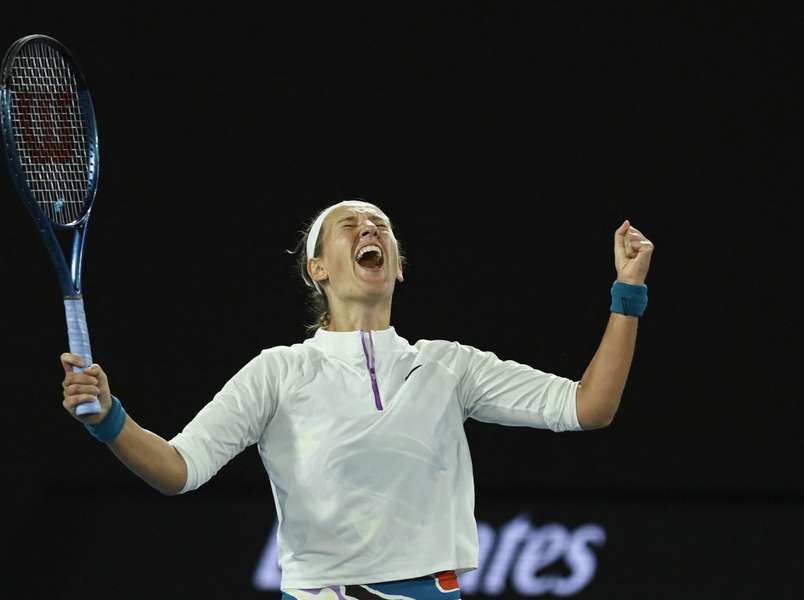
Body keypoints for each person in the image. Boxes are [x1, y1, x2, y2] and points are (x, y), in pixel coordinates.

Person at [61, 199, 654, 600]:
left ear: (398, 269)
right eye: (350, 225)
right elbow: (179, 469)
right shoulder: (278, 372)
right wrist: (110, 420)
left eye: (381, 226)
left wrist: (627, 293)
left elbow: (589, 406)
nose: (370, 229)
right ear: (317, 267)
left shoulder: (449, 365)